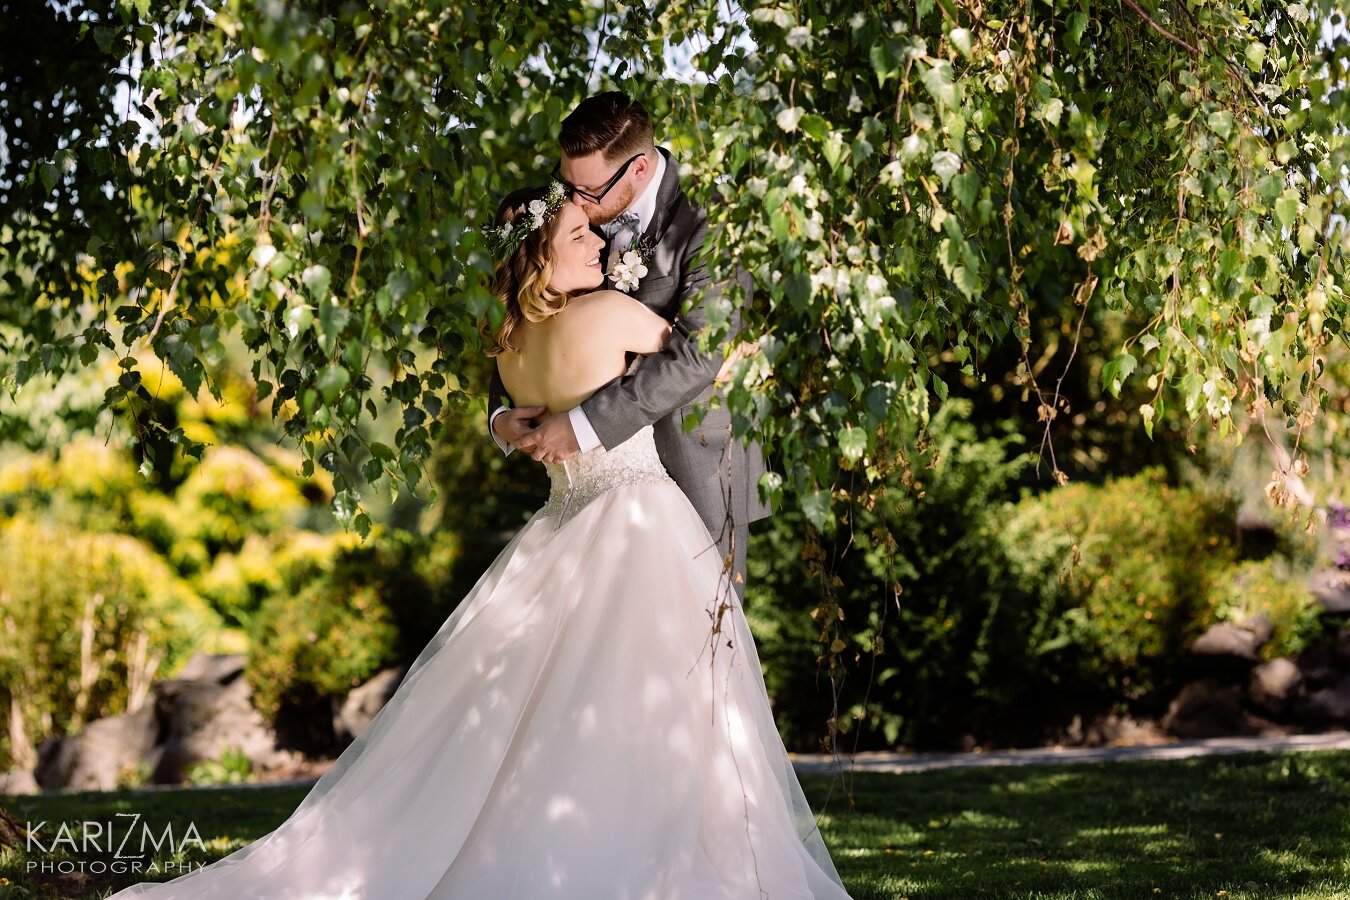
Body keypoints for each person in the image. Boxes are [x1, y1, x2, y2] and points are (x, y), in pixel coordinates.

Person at [103, 183, 853, 899]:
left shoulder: (508, 345)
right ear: (538, 257)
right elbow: (706, 355)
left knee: (535, 715)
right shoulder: (613, 316)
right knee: (663, 701)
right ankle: (665, 850)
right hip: (636, 524)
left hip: (558, 529)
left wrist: (503, 422)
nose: (596, 241)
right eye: (576, 235)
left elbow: (519, 412)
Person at [489, 91, 770, 595]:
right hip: (593, 492)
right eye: (565, 183)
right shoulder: (579, 192)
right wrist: (501, 417)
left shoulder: (712, 220)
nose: (574, 201)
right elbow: (530, 298)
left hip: (696, 461)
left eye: (588, 191)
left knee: (703, 640)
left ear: (638, 169)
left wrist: (584, 425)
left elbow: (701, 354)